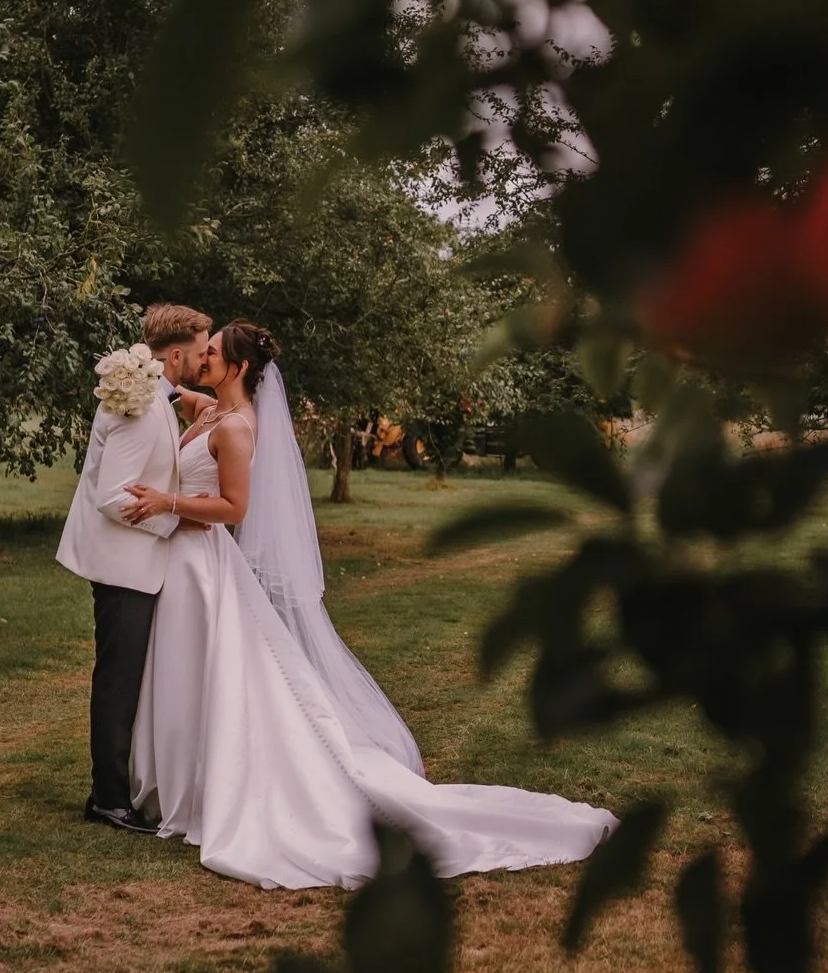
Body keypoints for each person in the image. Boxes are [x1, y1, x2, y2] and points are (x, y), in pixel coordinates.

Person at [121, 320, 617, 889]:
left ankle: (218, 790)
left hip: (205, 563)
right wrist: (136, 377)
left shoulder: (235, 426)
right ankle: (183, 781)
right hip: (184, 566)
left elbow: (234, 508)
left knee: (217, 677)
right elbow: (165, 390)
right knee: (191, 675)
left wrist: (169, 499)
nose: (199, 359)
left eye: (209, 353)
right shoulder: (207, 410)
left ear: (236, 368)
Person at [56, 302, 210, 832]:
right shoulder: (140, 405)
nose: (205, 356)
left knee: (127, 681)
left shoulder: (157, 397)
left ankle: (118, 789)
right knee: (118, 683)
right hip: (124, 566)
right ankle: (109, 799)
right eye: (200, 350)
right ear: (174, 355)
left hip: (136, 563)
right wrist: (172, 519)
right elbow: (111, 495)